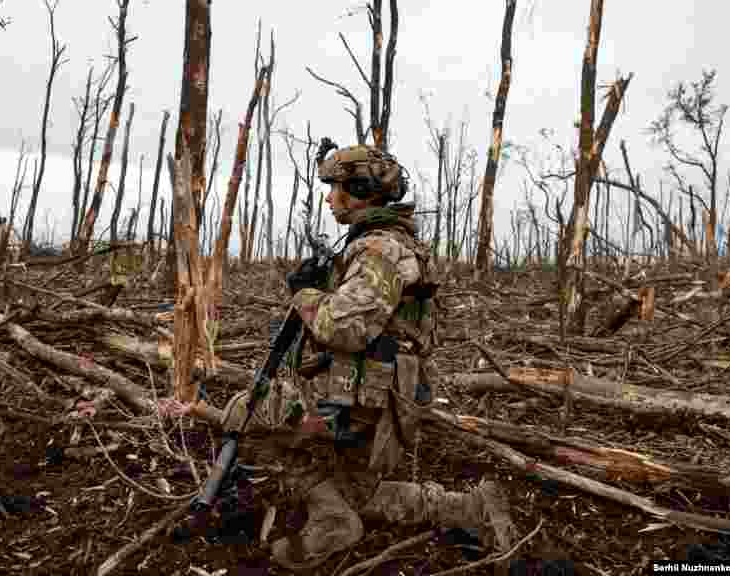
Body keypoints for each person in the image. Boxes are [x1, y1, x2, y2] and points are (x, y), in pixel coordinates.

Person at [220, 139, 518, 570]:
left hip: (362, 407)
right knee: (358, 493)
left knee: (243, 413)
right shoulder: (391, 244)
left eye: (335, 187)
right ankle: (467, 509)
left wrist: (303, 294)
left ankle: (333, 514)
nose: (328, 198)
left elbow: (344, 327)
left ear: (357, 190)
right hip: (377, 401)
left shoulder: (379, 250)